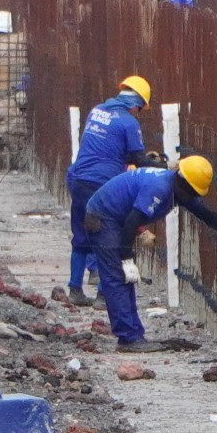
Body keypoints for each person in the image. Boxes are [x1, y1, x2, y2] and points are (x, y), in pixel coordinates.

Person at [85, 155, 217, 353]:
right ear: (183, 182)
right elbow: (132, 223)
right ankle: (128, 339)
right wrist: (126, 258)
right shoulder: (160, 188)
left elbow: (201, 211)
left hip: (113, 216)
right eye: (191, 192)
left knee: (125, 280)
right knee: (117, 276)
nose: (192, 197)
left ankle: (133, 334)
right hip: (103, 217)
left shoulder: (177, 186)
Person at [64, 76, 154, 306]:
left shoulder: (97, 111)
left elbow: (103, 146)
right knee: (108, 238)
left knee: (81, 236)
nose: (138, 114)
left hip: (79, 180)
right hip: (104, 186)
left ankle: (75, 289)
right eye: (140, 110)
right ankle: (103, 296)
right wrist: (160, 165)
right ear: (136, 105)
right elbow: (137, 159)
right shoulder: (129, 122)